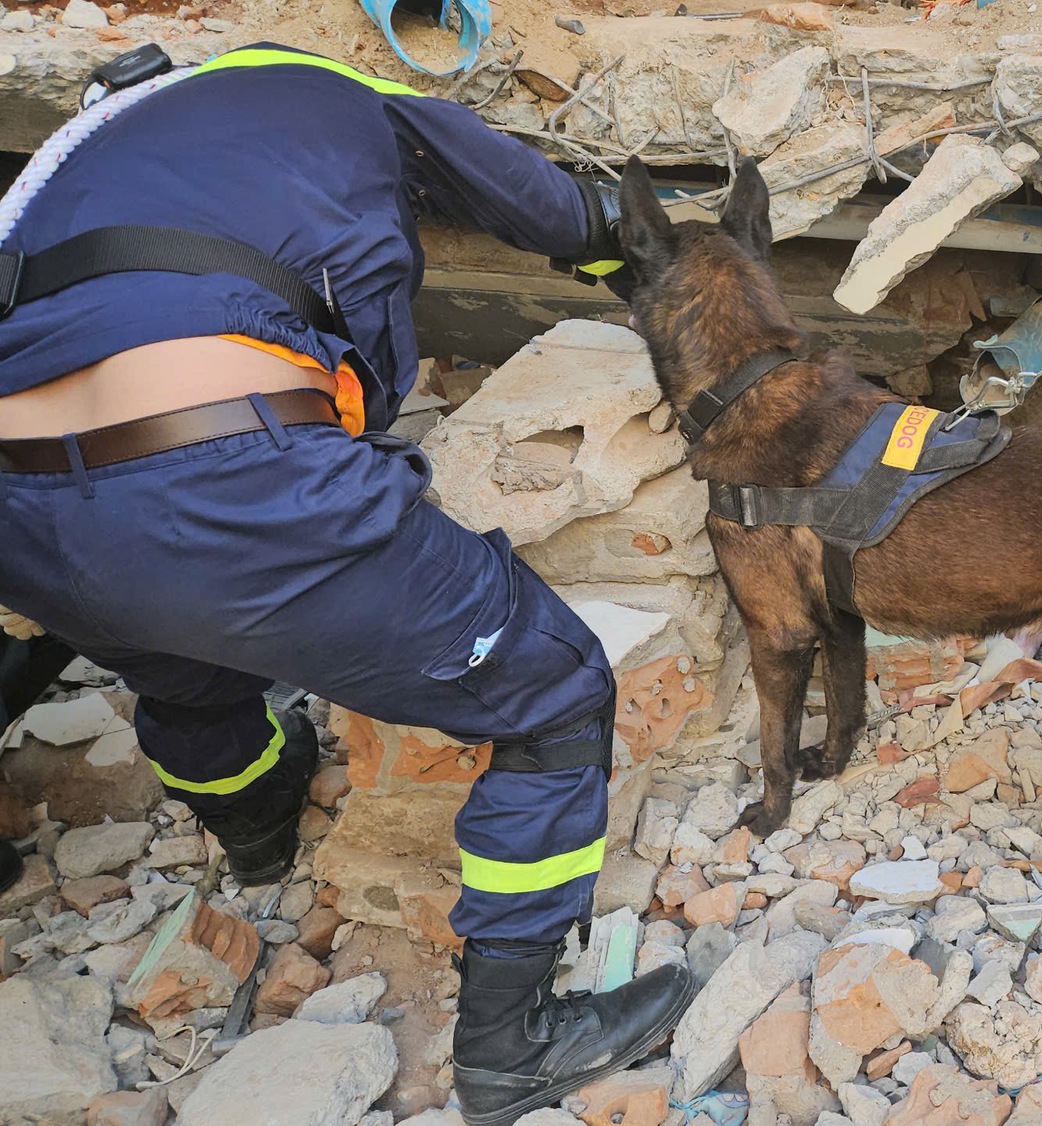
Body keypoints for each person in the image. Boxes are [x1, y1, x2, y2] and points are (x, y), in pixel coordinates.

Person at [0, 44, 685, 1126]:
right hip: (230, 474)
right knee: (555, 691)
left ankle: (261, 836)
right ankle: (512, 1047)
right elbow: (553, 209)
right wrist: (641, 272)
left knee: (185, 679)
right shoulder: (327, 89)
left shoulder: (65, 168)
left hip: (24, 517)